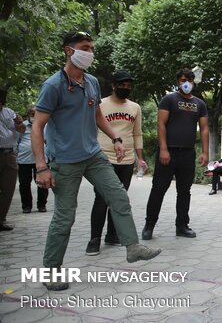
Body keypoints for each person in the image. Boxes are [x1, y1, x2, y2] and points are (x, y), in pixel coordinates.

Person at [31, 31, 161, 291]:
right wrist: (41, 166)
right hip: (64, 161)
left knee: (119, 196)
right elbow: (37, 127)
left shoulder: (90, 82)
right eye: (84, 47)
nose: (89, 52)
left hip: (93, 155)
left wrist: (114, 138)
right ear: (69, 51)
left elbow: (97, 114)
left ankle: (132, 247)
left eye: (91, 47)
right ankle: (51, 271)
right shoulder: (53, 86)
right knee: (64, 218)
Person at [142, 68, 209, 240]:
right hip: (168, 153)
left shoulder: (199, 104)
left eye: (188, 80)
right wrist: (163, 149)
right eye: (182, 80)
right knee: (158, 189)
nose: (185, 83)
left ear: (193, 81)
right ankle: (149, 226)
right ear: (178, 82)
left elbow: (204, 129)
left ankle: (182, 226)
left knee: (184, 191)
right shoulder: (169, 99)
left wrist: (205, 152)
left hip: (188, 153)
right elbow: (161, 124)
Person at [86, 70, 147, 255]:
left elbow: (137, 133)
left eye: (128, 86)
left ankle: (112, 235)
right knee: (102, 198)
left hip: (127, 159)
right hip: (103, 158)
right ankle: (94, 239)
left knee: (119, 199)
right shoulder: (101, 104)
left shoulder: (135, 107)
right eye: (121, 85)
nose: (125, 88)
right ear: (113, 85)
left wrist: (140, 158)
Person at [0, 88, 25, 231]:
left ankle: (1, 219)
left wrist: (19, 123)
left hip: (9, 154)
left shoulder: (9, 113)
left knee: (8, 190)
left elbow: (21, 130)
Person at [17, 106, 49, 213]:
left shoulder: (45, 126)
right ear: (28, 115)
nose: (34, 116)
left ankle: (42, 205)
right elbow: (16, 141)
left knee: (43, 183)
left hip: (41, 159)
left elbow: (48, 141)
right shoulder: (22, 127)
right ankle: (26, 206)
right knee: (24, 183)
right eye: (32, 114)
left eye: (36, 114)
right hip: (24, 160)